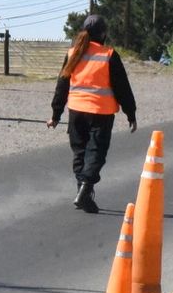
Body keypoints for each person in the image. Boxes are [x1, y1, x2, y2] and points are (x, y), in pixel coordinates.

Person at [47, 14, 137, 213]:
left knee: (80, 153)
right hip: (100, 113)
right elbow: (122, 88)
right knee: (96, 153)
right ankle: (85, 190)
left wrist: (55, 115)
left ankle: (83, 194)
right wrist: (131, 113)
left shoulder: (73, 53)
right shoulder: (109, 55)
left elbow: (61, 86)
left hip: (76, 112)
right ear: (103, 34)